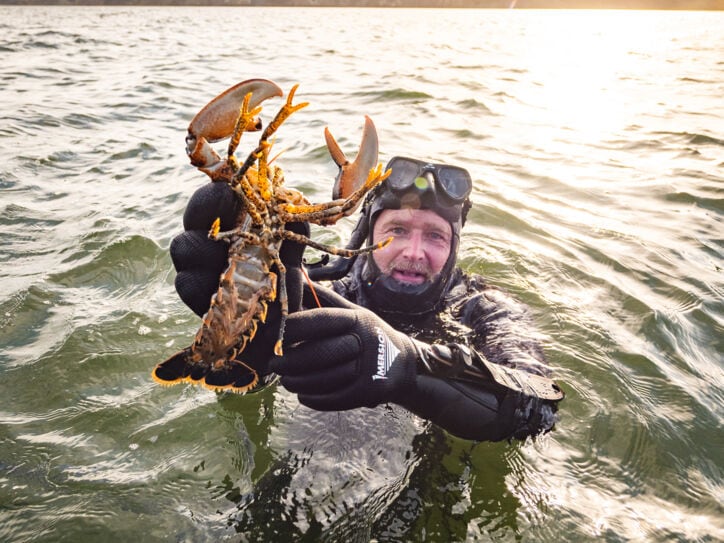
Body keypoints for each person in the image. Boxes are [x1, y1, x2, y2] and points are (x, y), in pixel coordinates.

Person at [169, 156, 563, 442]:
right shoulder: (325, 292)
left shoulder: (485, 309)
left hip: (428, 460)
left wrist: (409, 363)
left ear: (455, 245)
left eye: (435, 236)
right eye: (396, 230)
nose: (413, 251)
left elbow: (539, 406)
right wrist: (241, 327)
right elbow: (255, 382)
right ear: (367, 234)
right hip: (319, 447)